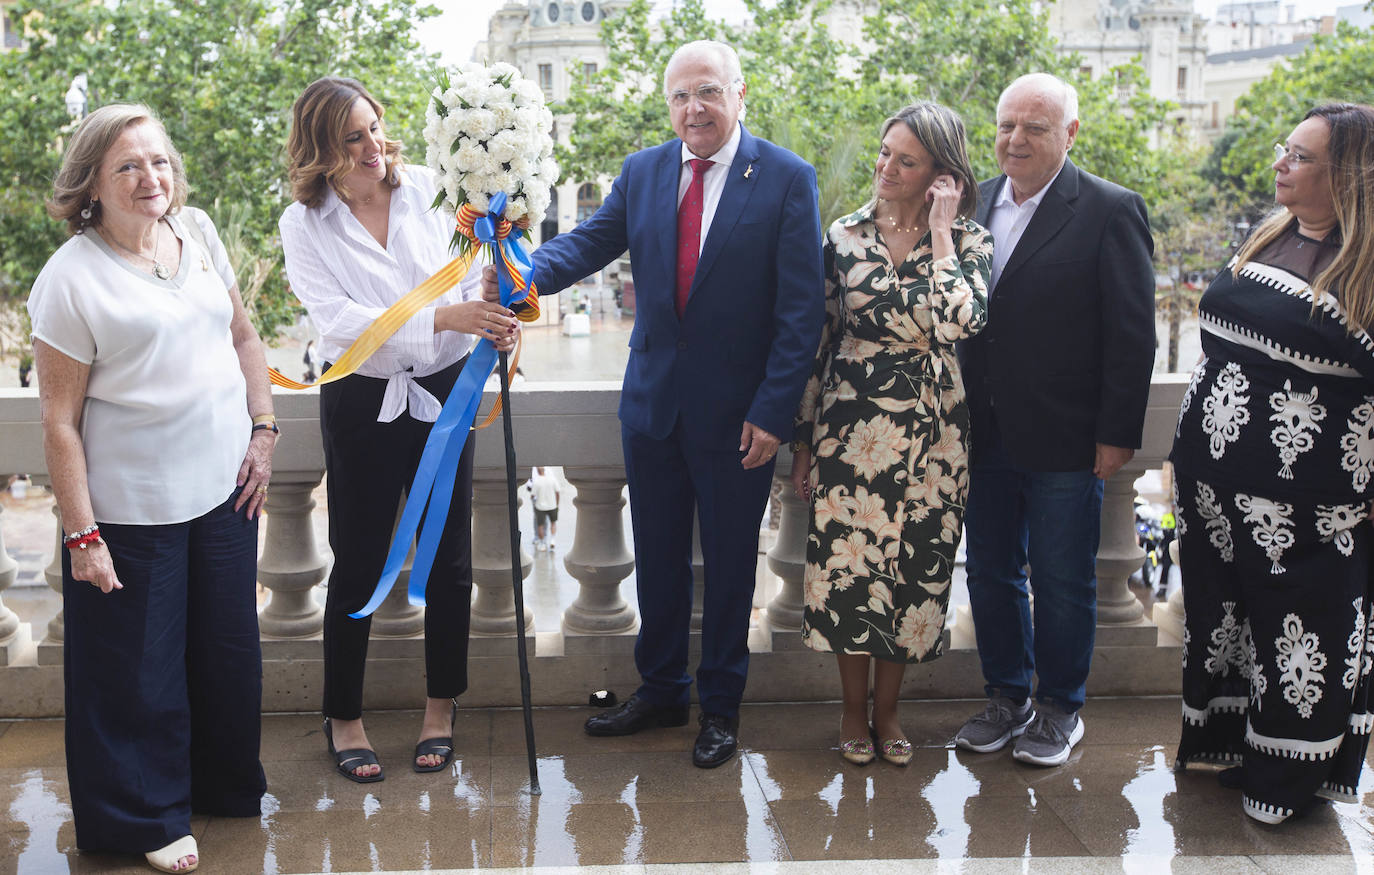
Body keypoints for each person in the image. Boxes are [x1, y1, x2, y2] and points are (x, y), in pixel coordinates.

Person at [484, 39, 824, 768]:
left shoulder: (788, 179)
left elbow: (802, 312)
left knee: (731, 568)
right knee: (659, 561)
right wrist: (517, 273)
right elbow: (583, 246)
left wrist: (773, 411)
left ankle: (722, 710)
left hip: (742, 421)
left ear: (739, 95)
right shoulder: (641, 172)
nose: (692, 108)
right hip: (653, 410)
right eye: (679, 96)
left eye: (706, 92)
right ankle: (663, 690)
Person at [27, 104, 274, 874]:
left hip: (226, 493)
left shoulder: (195, 231)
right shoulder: (69, 279)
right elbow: (61, 423)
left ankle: (220, 785)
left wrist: (263, 429)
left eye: (159, 161)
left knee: (228, 657)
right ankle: (144, 815)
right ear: (91, 184)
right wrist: (82, 532)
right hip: (131, 510)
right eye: (127, 166)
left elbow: (243, 336)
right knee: (137, 673)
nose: (150, 177)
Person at [279, 77, 519, 783]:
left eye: (376, 128)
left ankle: (441, 706)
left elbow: (474, 269)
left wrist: (495, 307)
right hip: (361, 396)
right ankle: (344, 714)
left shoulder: (432, 194)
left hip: (445, 387)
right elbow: (339, 322)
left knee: (449, 556)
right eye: (353, 137)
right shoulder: (305, 223)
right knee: (355, 555)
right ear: (321, 148)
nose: (373, 147)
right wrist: (444, 318)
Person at [1171, 103, 1374, 823]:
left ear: (1348, 175)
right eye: (1284, 149)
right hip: (1217, 498)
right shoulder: (1271, 233)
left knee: (1301, 641)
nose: (1281, 164)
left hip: (1311, 512)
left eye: (1301, 156)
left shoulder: (1367, 268)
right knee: (1231, 628)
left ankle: (1286, 784)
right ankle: (1241, 752)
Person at [953, 73, 1156, 766]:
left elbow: (1132, 334)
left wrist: (1116, 433)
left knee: (1063, 577)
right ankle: (1006, 696)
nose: (1015, 139)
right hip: (981, 431)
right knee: (988, 570)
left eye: (1034, 128)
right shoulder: (970, 202)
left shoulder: (1109, 209)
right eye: (1007, 125)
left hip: (1068, 435)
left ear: (1070, 134)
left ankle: (1059, 706)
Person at [790, 103, 991, 766]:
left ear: (942, 173)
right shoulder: (843, 236)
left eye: (906, 161)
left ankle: (889, 711)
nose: (886, 168)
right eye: (884, 153)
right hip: (849, 428)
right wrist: (802, 440)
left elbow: (962, 322)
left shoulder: (968, 240)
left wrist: (939, 233)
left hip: (936, 436)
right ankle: (851, 711)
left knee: (914, 575)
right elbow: (820, 340)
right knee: (851, 570)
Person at [527, 466, 560, 551]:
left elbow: (530, 490)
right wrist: (556, 504)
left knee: (539, 523)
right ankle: (551, 539)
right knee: (552, 522)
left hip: (539, 502)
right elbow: (557, 491)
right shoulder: (549, 470)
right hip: (551, 502)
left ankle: (541, 540)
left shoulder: (535, 472)